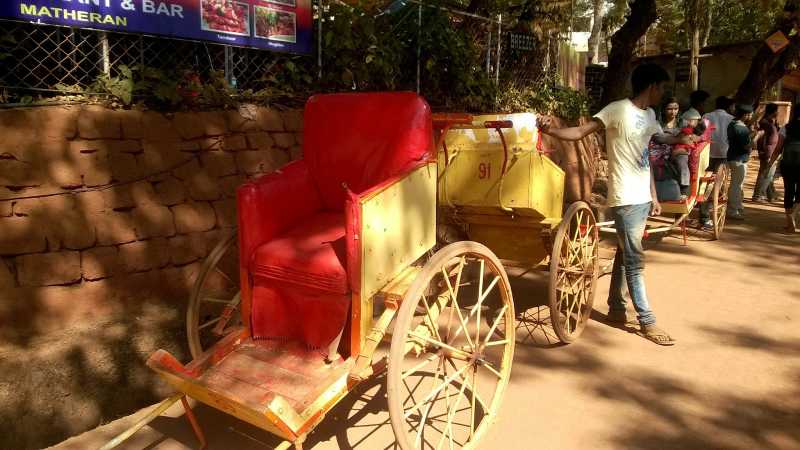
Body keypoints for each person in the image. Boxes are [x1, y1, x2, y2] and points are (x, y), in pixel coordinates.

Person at [539, 63, 692, 346]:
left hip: (643, 199)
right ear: (652, 86)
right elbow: (580, 131)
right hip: (624, 199)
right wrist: (554, 132)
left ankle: (617, 309)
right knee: (635, 261)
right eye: (662, 88)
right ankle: (647, 320)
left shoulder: (650, 116)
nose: (664, 95)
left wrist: (655, 197)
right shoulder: (617, 110)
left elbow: (647, 152)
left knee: (625, 254)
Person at [699, 96, 735, 228]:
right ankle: (711, 212)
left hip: (706, 153)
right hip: (724, 154)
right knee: (718, 185)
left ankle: (704, 215)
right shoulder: (731, 119)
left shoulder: (706, 116)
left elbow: (701, 133)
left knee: (704, 182)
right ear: (728, 106)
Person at [726, 104, 757, 220]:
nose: (751, 116)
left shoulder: (733, 124)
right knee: (736, 185)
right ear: (746, 115)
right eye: (750, 114)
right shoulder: (740, 127)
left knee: (736, 184)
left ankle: (737, 206)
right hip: (739, 159)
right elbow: (747, 146)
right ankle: (733, 210)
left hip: (734, 157)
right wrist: (757, 136)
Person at [772, 108, 800, 232]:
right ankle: (794, 215)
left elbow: (778, 147)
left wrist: (770, 163)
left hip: (788, 164)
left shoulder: (786, 128)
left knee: (789, 190)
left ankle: (790, 223)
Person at [753, 103, 780, 202]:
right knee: (765, 174)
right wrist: (765, 153)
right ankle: (757, 195)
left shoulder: (771, 122)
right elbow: (762, 139)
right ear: (773, 111)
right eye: (777, 110)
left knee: (769, 174)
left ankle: (771, 195)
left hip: (772, 152)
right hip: (768, 152)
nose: (778, 112)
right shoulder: (764, 123)